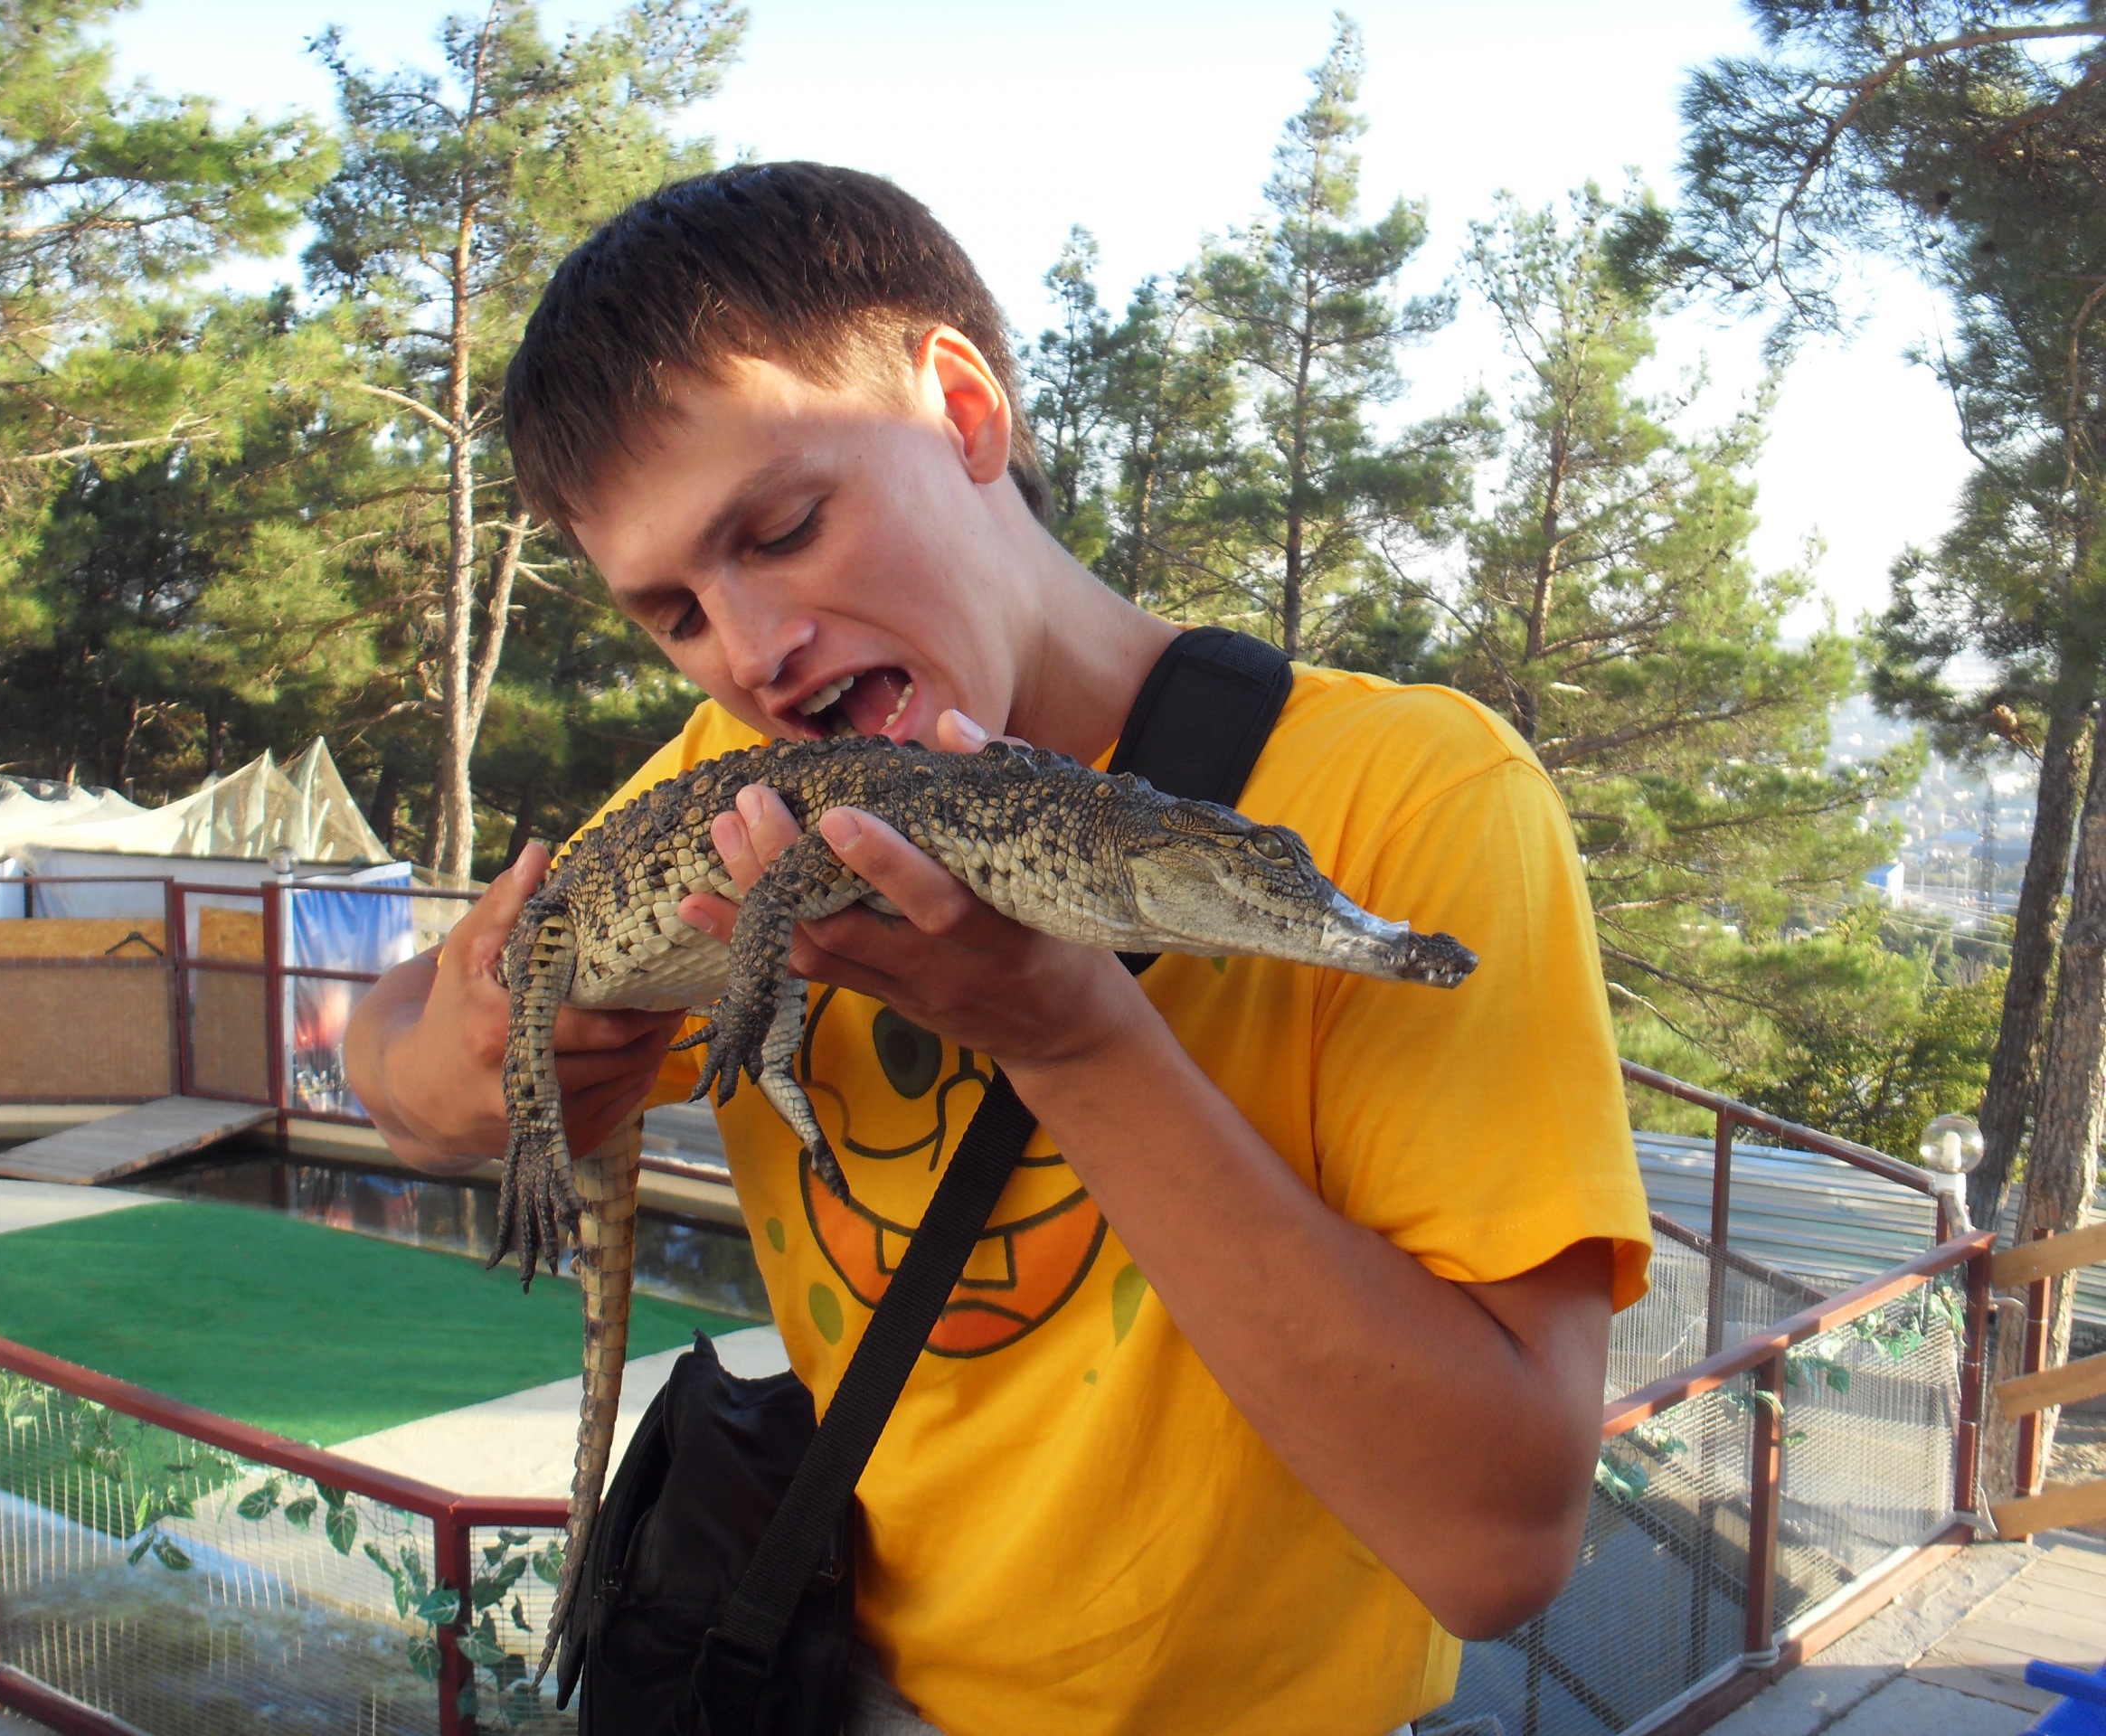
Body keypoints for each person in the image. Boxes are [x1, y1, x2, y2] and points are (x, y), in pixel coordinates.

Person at [345, 161, 1651, 1736]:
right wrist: (490, 1054)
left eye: (785, 527)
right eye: (676, 613)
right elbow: (396, 1067)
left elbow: (1497, 1548)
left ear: (964, 412)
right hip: (821, 1686)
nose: (751, 652)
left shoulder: (1419, 799)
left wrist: (1069, 1036)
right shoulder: (743, 785)